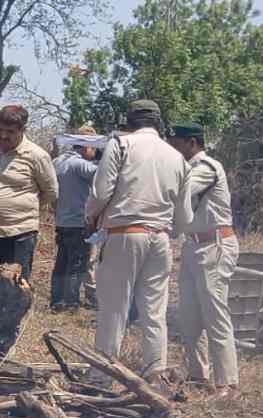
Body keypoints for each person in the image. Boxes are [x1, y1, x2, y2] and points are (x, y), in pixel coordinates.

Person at [84, 100, 190, 383]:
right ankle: (156, 377)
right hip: (160, 238)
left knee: (114, 310)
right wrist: (170, 231)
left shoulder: (121, 145)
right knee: (155, 312)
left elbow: (101, 192)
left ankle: (102, 377)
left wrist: (91, 215)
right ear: (158, 123)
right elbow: (184, 215)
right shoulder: (176, 157)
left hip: (124, 235)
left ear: (129, 122)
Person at [0, 105, 58, 337]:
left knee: (13, 294)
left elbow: (50, 193)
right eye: (1, 129)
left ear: (22, 130)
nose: (4, 136)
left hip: (19, 235)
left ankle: (2, 343)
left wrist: (21, 212)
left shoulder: (37, 156)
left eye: (10, 131)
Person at [167, 122, 240, 398]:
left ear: (192, 143)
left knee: (215, 315)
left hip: (215, 245)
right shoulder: (187, 168)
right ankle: (198, 375)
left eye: (178, 142)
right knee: (190, 315)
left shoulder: (207, 167)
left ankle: (227, 383)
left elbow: (181, 189)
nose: (173, 147)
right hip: (194, 245)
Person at [50, 128, 99, 312]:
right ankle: (71, 303)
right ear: (86, 146)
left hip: (62, 221)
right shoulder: (80, 165)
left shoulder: (58, 162)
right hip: (79, 223)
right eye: (94, 148)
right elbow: (104, 175)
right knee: (77, 264)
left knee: (61, 263)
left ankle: (56, 300)